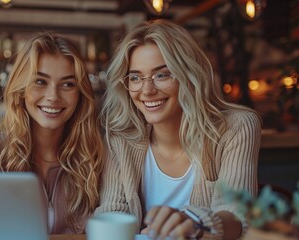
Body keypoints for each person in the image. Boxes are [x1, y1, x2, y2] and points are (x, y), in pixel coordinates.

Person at [96, 19, 262, 240]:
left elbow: (237, 215)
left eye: (162, 75)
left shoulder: (236, 127)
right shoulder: (120, 137)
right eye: (135, 77)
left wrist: (197, 224)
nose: (146, 90)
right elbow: (112, 211)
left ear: (189, 76)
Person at [0, 32, 104, 234]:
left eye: (68, 84)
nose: (53, 96)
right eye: (40, 82)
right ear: (21, 88)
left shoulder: (93, 159)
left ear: (80, 93)